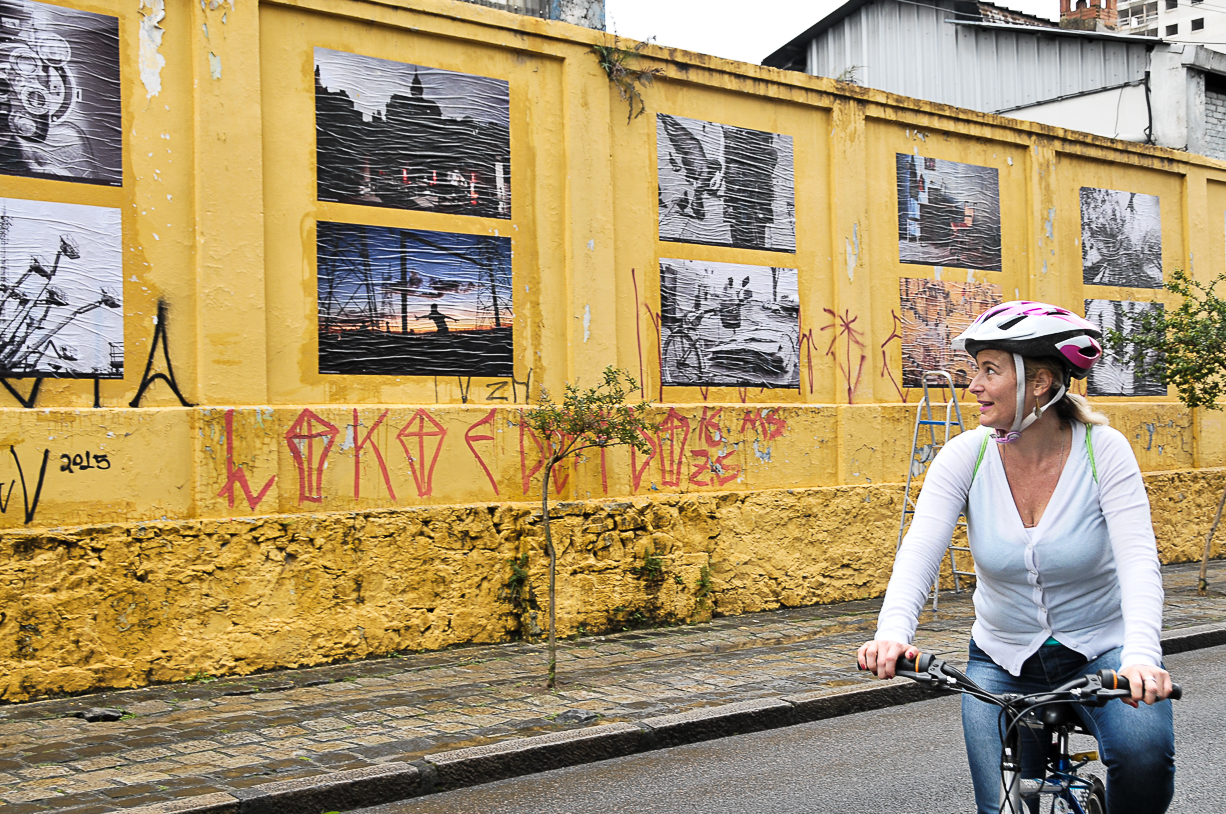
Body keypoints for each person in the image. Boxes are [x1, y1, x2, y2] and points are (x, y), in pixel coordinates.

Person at [857, 301, 1175, 814]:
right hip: (1002, 659)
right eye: (973, 370)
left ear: (1041, 382)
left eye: (990, 370)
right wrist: (893, 631)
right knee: (1000, 806)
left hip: (1103, 650)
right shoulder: (966, 454)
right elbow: (919, 548)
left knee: (1144, 755)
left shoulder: (1104, 451)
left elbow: (1138, 560)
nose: (973, 386)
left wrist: (1141, 657)